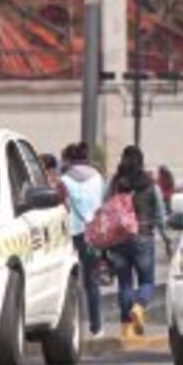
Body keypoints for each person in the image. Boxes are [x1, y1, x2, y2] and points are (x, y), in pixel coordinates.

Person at [107, 146, 165, 340]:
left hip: (119, 238)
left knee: (124, 284)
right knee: (147, 281)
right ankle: (139, 308)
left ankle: (127, 329)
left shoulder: (115, 182)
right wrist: (165, 237)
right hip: (143, 236)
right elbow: (160, 215)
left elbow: (105, 206)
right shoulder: (150, 184)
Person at [61, 143, 106, 338]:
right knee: (92, 281)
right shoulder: (98, 179)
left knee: (70, 280)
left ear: (68, 160)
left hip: (71, 234)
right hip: (93, 233)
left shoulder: (63, 181)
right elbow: (103, 204)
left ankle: (72, 325)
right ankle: (97, 327)